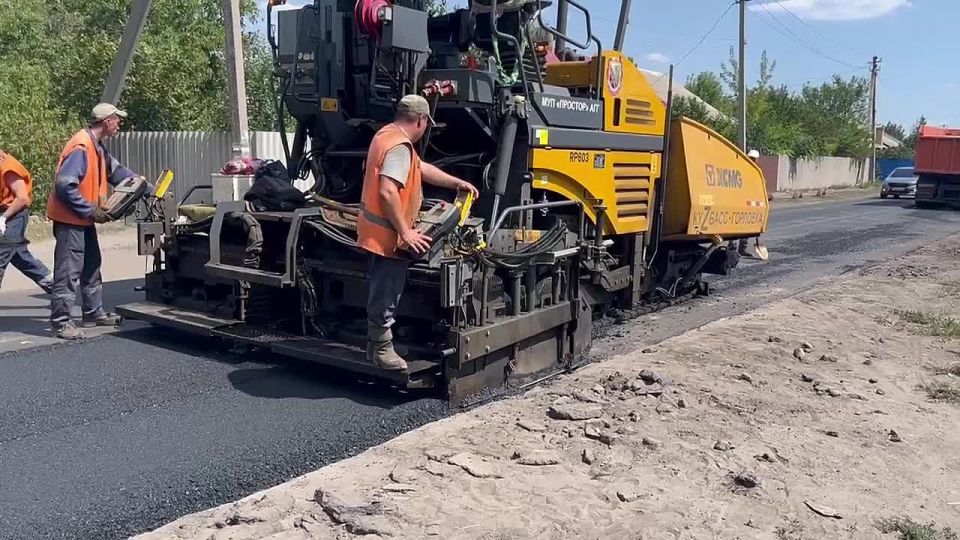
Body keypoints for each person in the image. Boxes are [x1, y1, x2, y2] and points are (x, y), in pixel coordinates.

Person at [356, 95, 479, 371]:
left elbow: (420, 168)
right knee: (386, 294)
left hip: (373, 230)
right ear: (421, 120)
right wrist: (406, 232)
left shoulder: (386, 135)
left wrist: (456, 183)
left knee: (382, 289)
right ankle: (382, 350)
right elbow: (388, 191)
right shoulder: (399, 147)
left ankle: (373, 348)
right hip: (387, 236)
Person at [47, 103, 138, 340]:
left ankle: (92, 313)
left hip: (82, 220)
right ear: (107, 121)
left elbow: (117, 172)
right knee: (68, 271)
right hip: (71, 221)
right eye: (117, 119)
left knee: (91, 266)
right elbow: (65, 186)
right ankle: (61, 323)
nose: (119, 123)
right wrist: (91, 210)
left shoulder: (97, 147)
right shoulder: (81, 147)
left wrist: (143, 186)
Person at [0, 151, 53, 293]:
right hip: (4, 212)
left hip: (15, 213)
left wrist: (3, 218)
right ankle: (53, 285)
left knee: (3, 250)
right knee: (18, 255)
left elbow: (22, 198)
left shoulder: (8, 167)